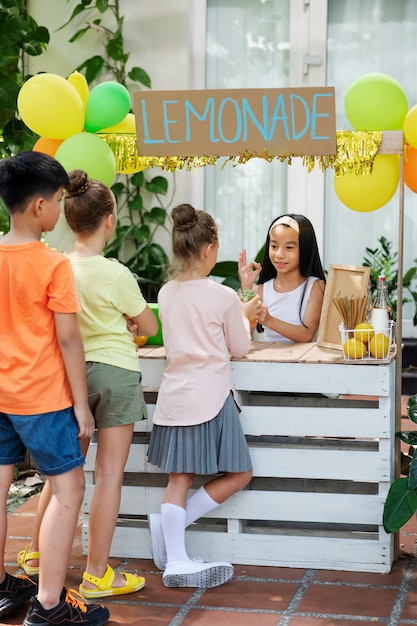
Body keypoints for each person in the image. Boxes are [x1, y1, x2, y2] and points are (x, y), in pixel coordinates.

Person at [16, 169, 158, 600]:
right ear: (109, 220)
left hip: (68, 377)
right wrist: (130, 321)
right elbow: (149, 326)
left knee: (63, 478)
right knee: (108, 475)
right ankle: (98, 573)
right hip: (114, 372)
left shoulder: (58, 266)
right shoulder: (116, 275)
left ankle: (39, 555)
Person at [0, 152, 109, 626]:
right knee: (68, 489)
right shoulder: (52, 265)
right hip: (42, 397)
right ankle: (48, 606)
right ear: (39, 206)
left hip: (1, 394)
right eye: (59, 201)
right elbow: (69, 338)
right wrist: (82, 408)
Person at [147, 203, 261, 589]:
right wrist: (245, 313)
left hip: (176, 398)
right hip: (211, 398)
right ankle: (175, 555)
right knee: (240, 473)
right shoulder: (223, 295)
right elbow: (241, 347)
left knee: (179, 480)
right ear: (210, 249)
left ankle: (170, 537)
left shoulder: (165, 293)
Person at [238, 213, 326, 343]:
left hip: (305, 362)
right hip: (269, 361)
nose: (279, 254)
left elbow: (307, 334)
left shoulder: (315, 287)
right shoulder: (261, 291)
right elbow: (243, 336)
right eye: (274, 246)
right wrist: (247, 288)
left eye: (289, 247)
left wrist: (269, 320)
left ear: (305, 248)